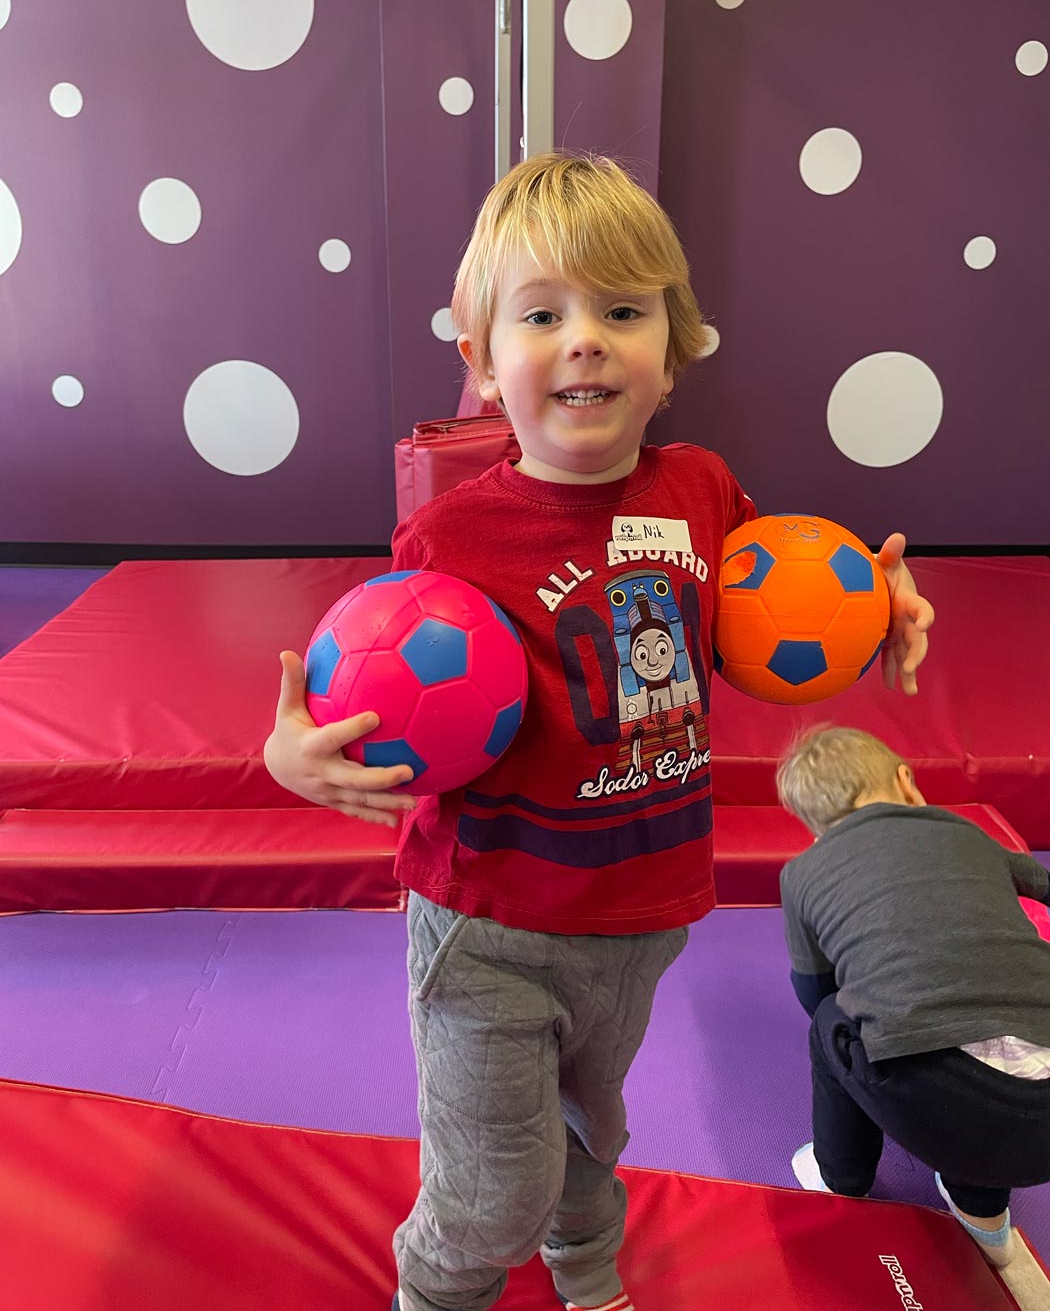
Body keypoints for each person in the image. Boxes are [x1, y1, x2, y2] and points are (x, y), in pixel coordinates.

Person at [264, 153, 933, 1311]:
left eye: (623, 311)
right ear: (481, 362)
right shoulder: (453, 538)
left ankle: (587, 1266)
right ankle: (438, 1289)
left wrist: (877, 608)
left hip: (646, 909)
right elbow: (360, 686)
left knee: (593, 1122)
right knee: (488, 1186)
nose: (586, 338)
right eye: (543, 313)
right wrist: (292, 752)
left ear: (669, 355)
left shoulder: (705, 489)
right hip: (490, 925)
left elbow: (783, 603)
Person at [777, 725, 1050, 1268]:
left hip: (941, 1108)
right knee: (998, 1006)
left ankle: (841, 1175)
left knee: (832, 1022)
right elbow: (1041, 883)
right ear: (906, 780)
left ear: (814, 829)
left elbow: (815, 990)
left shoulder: (803, 871)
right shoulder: (965, 832)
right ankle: (985, 1217)